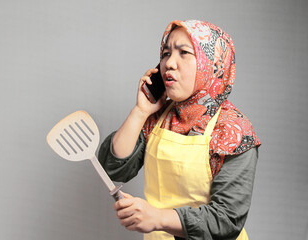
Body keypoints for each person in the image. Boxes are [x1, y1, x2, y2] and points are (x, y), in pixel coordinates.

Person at [98, 20, 261, 240]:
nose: (169, 63)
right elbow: (114, 169)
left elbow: (227, 219)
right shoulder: (159, 117)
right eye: (165, 53)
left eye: (184, 52)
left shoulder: (233, 130)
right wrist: (140, 110)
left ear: (211, 63)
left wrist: (158, 218)